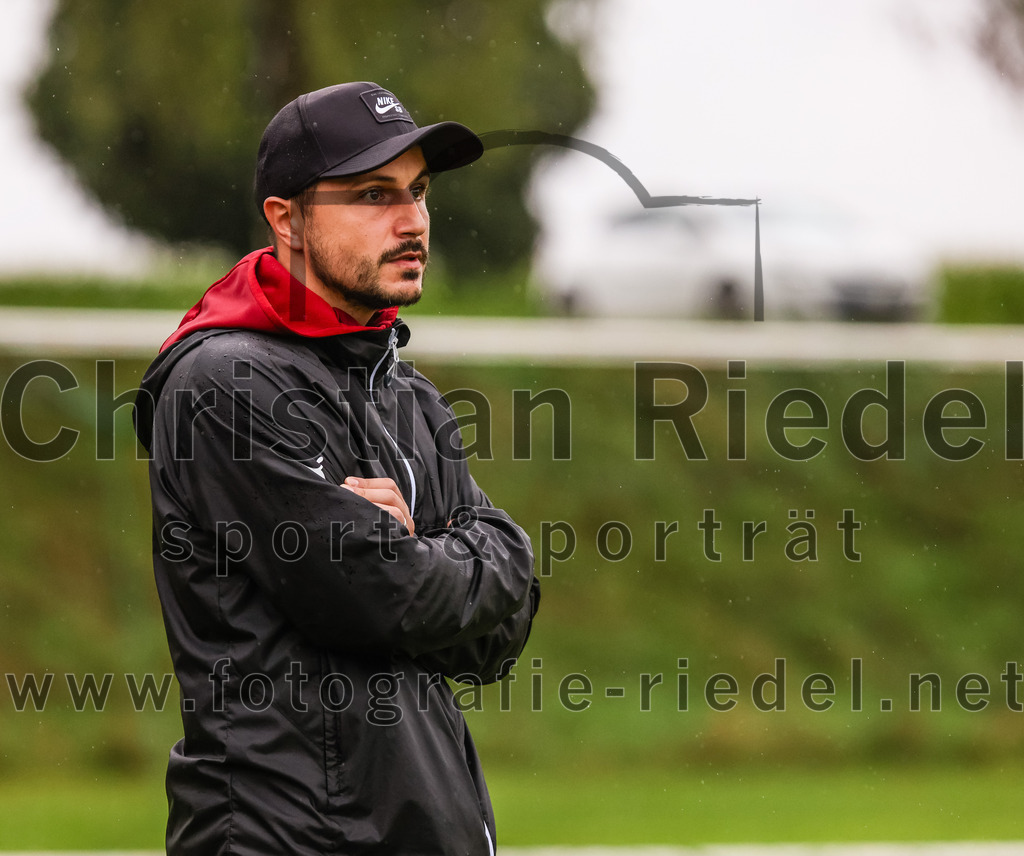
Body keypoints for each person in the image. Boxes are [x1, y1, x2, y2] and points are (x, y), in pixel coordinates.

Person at [133, 81, 540, 855]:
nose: (413, 220)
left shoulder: (404, 389)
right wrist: (429, 563)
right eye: (373, 195)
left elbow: (504, 621)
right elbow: (377, 597)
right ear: (286, 220)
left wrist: (417, 554)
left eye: (418, 193)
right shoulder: (224, 383)